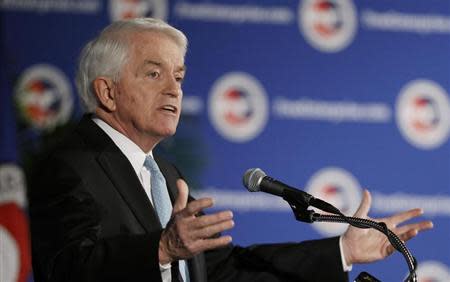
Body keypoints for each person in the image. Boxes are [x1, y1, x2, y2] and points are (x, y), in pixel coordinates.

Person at [28, 18, 433, 282]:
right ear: (108, 91)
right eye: (154, 73)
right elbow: (67, 269)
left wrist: (341, 251)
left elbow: (223, 271)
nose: (174, 88)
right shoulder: (67, 166)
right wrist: (161, 248)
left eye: (179, 76)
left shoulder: (165, 175)